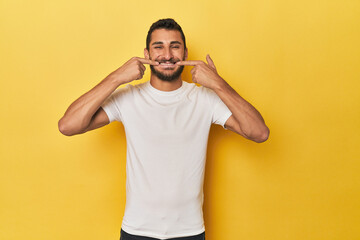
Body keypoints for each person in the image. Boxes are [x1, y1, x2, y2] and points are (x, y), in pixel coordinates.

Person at [58, 18, 269, 240]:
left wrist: (218, 84)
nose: (167, 55)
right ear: (146, 54)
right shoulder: (129, 98)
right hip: (136, 231)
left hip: (190, 232)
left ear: (185, 53)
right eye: (158, 47)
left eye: (174, 46)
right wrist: (116, 78)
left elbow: (259, 132)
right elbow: (68, 125)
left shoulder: (205, 99)